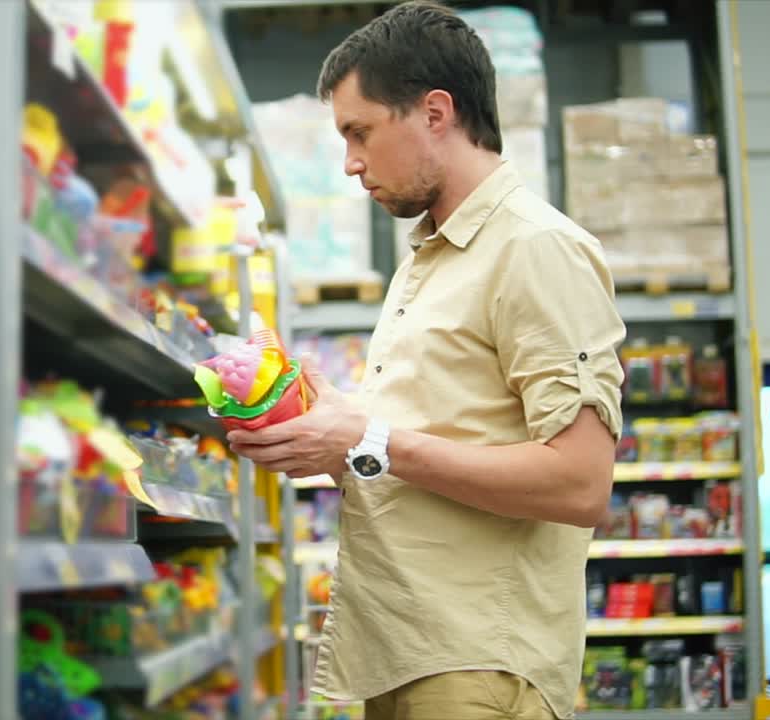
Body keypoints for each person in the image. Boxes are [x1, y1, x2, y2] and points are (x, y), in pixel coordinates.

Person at [226, 2, 627, 718]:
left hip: (477, 664)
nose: (350, 163)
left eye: (360, 132)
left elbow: (580, 482)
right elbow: (434, 443)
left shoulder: (533, 248)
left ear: (435, 112)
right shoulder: (432, 260)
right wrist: (322, 428)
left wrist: (369, 439)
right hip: (408, 650)